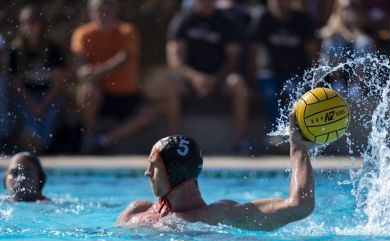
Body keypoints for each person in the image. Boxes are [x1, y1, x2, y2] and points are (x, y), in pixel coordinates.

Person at [116, 111, 315, 231]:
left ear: (174, 172)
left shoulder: (220, 215)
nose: (147, 172)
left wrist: (297, 147)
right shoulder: (136, 211)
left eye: (154, 166)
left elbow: (300, 205)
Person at [164, 0, 250, 153]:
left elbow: (233, 59)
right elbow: (174, 61)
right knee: (172, 86)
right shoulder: (184, 20)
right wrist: (196, 77)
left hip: (219, 78)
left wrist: (214, 78)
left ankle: (241, 143)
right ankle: (174, 145)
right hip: (190, 79)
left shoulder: (226, 21)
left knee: (238, 84)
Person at [71, 0, 156, 153]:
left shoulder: (127, 31)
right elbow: (79, 66)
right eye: (99, 10)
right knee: (87, 91)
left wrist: (94, 72)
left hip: (127, 94)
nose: (103, 15)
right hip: (101, 94)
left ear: (115, 12)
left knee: (148, 114)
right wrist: (83, 72)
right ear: (91, 13)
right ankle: (89, 136)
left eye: (107, 10)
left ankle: (103, 140)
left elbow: (122, 60)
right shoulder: (83, 33)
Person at [250, 0, 318, 139]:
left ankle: (297, 134)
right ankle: (276, 133)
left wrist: (314, 80)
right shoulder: (264, 19)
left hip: (298, 73)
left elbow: (313, 53)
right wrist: (252, 81)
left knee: (296, 91)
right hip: (272, 73)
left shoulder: (303, 20)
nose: (280, 4)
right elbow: (253, 53)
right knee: (268, 87)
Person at [9, 6, 66, 153]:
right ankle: (34, 140)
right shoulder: (15, 51)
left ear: (41, 24)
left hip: (49, 95)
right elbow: (16, 84)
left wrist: (43, 104)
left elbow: (58, 83)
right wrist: (32, 104)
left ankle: (39, 142)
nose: (29, 26)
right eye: (25, 22)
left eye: (33, 22)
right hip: (27, 96)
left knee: (50, 113)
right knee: (25, 111)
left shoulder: (53, 50)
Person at [319, 0, 375, 98]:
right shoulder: (333, 29)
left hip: (353, 69)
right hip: (334, 72)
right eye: (345, 9)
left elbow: (359, 37)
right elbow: (322, 33)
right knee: (336, 41)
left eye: (352, 8)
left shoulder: (359, 29)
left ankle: (356, 85)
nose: (349, 12)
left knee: (364, 42)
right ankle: (337, 83)